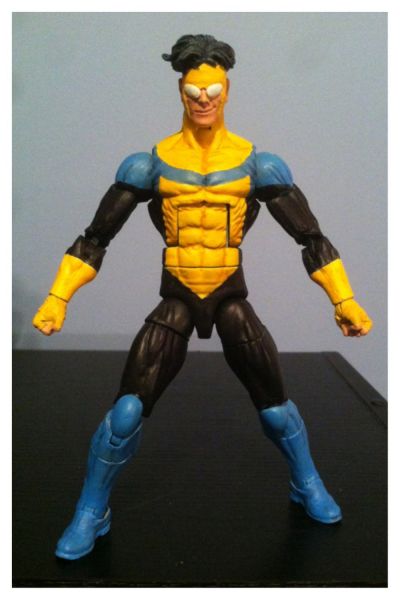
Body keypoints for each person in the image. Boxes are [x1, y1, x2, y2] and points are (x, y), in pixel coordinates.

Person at [33, 34, 373, 560]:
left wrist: (343, 301)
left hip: (230, 296)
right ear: (181, 91)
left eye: (212, 89)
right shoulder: (150, 164)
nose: (204, 100)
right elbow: (95, 237)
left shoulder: (257, 164)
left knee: (275, 409)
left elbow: (311, 238)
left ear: (227, 90)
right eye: (194, 91)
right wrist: (59, 298)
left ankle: (306, 482)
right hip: (178, 296)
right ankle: (90, 510)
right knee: (125, 412)